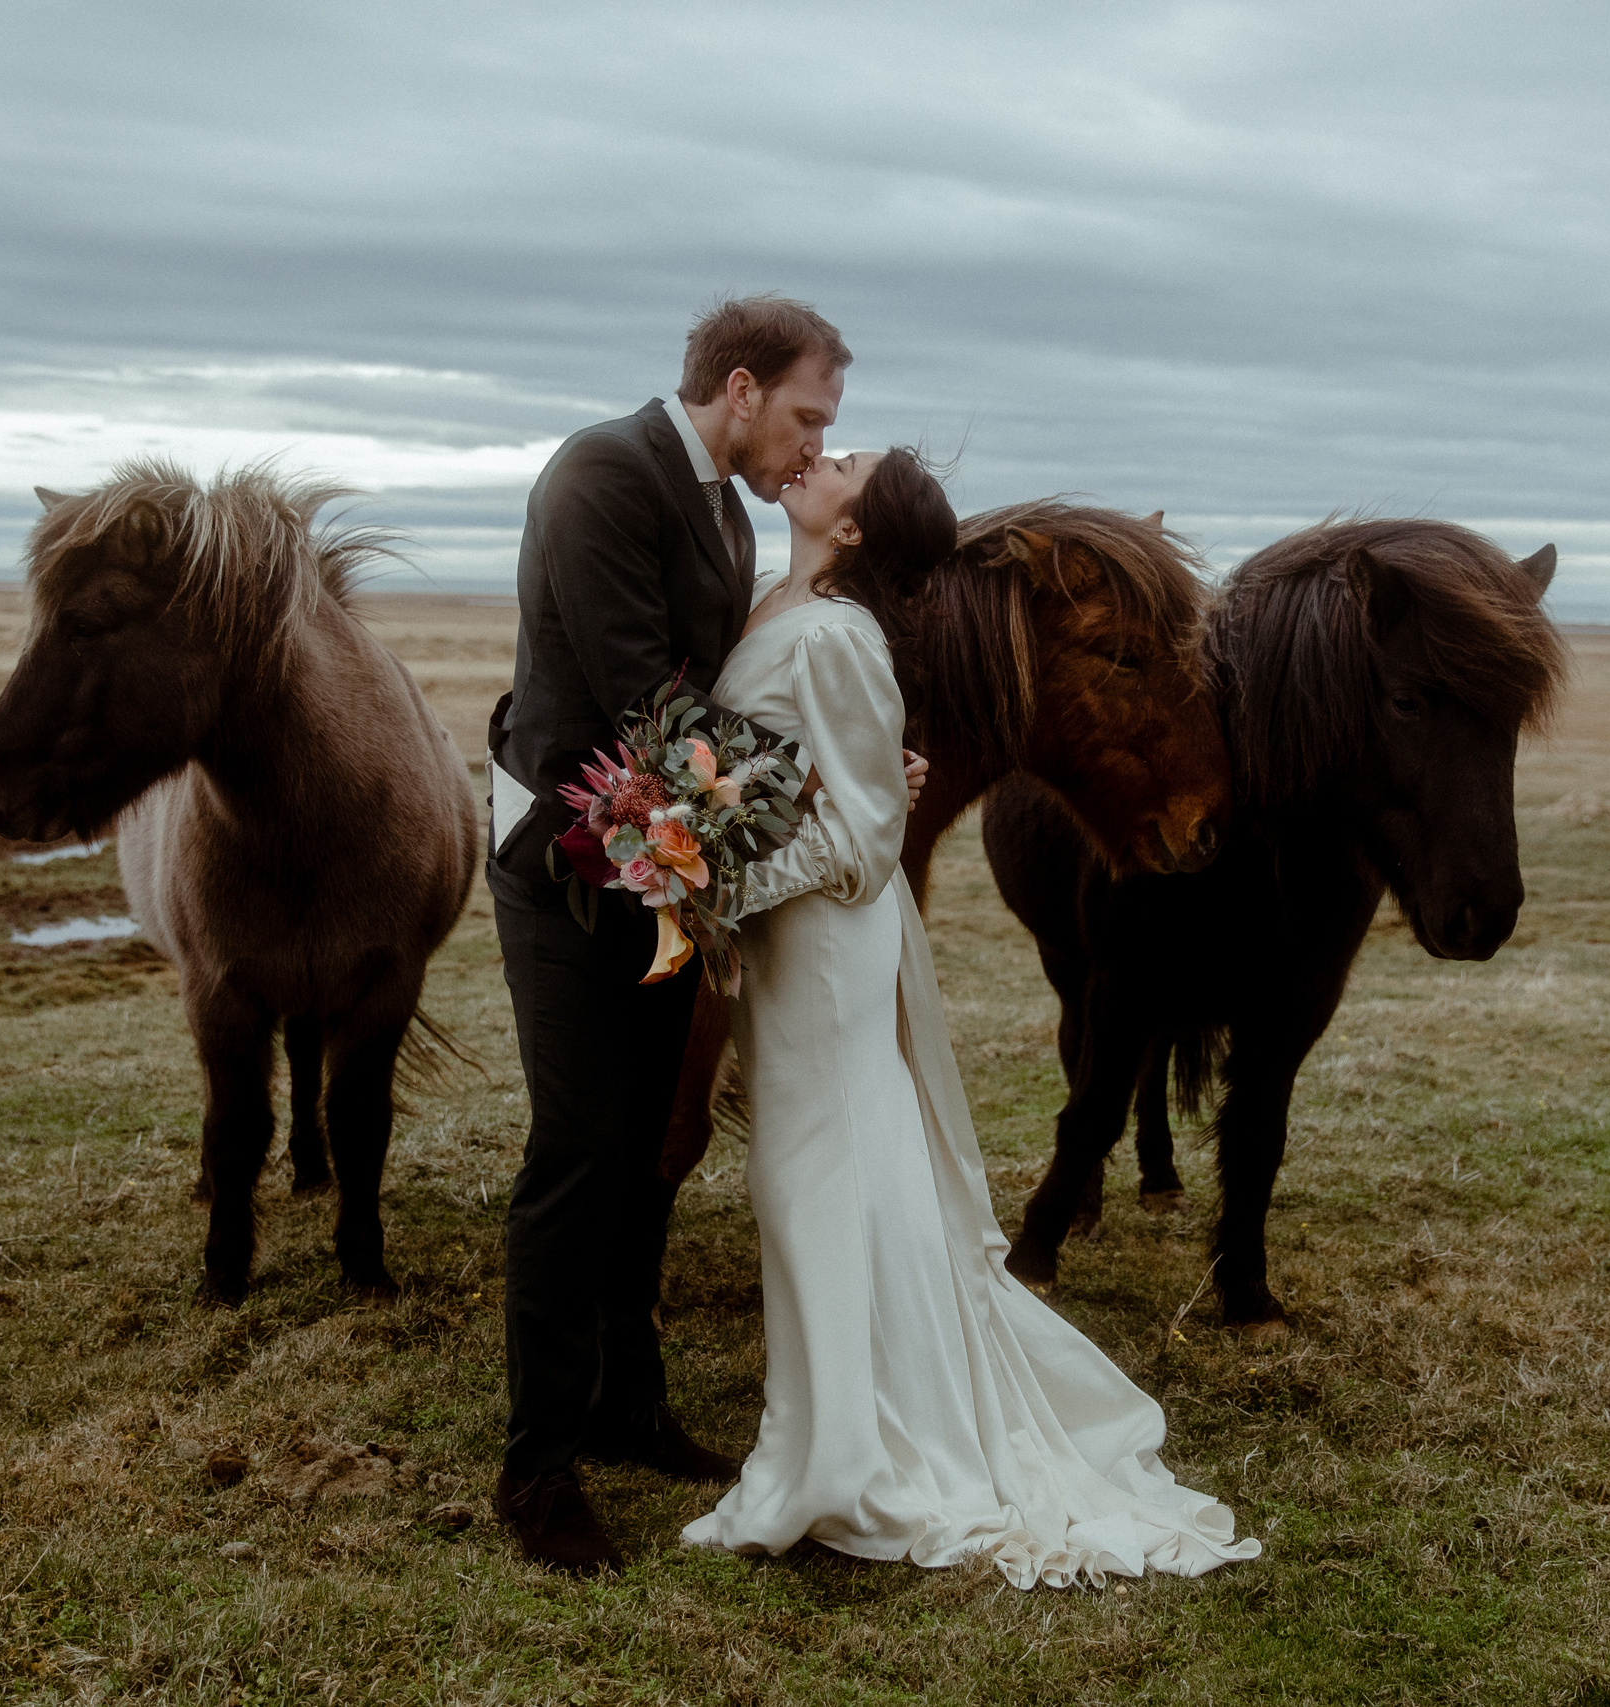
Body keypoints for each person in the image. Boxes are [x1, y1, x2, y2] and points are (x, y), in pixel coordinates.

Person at [680, 447, 1264, 1590]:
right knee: (821, 1185)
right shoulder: (793, 606)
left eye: (841, 463)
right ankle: (839, 1428)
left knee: (819, 1179)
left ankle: (848, 1456)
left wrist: (702, 871)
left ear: (854, 531)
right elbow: (831, 778)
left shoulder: (840, 633)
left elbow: (854, 848)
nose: (820, 457)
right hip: (803, 944)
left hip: (820, 946)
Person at [485, 295, 925, 1574]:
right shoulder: (601, 474)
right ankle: (538, 1466)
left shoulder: (726, 510)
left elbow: (727, 687)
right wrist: (829, 785)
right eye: (805, 416)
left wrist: (846, 756)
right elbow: (648, 696)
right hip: (562, 869)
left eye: (823, 429)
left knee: (642, 1149)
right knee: (575, 1151)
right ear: (739, 388)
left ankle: (630, 1403)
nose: (810, 444)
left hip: (659, 873)